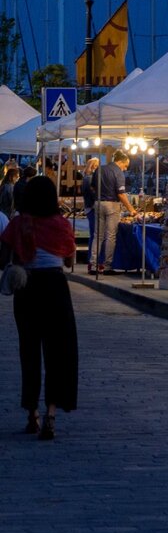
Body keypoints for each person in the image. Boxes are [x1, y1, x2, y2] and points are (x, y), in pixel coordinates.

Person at [0, 175, 77, 440]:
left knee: (29, 351)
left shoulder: (19, 223)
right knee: (57, 352)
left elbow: (2, 256)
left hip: (27, 289)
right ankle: (51, 414)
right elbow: (68, 261)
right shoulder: (62, 225)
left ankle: (31, 412)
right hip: (55, 287)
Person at [96, 151, 137, 274]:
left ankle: (93, 264)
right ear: (120, 162)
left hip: (98, 203)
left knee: (98, 236)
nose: (125, 169)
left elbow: (93, 187)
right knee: (110, 236)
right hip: (112, 205)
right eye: (125, 166)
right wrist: (131, 209)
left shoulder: (100, 169)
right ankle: (107, 266)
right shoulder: (118, 172)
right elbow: (121, 194)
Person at [81, 158, 100, 274]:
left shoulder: (87, 177)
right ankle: (91, 260)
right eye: (97, 165)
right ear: (93, 166)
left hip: (90, 207)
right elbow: (92, 194)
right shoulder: (89, 178)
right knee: (94, 234)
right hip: (92, 208)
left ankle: (91, 259)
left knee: (94, 234)